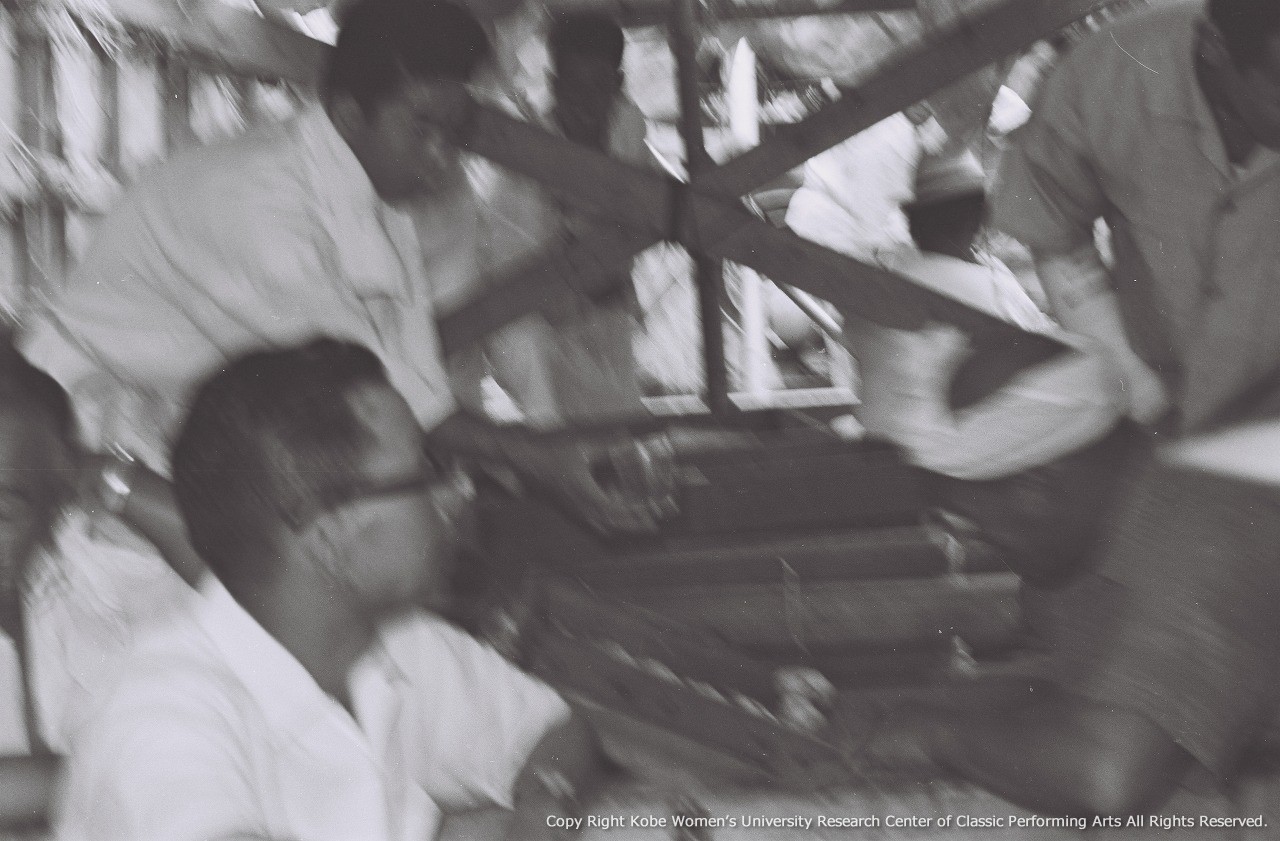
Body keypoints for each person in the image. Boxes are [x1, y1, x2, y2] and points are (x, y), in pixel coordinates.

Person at [19, 0, 658, 535]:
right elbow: (364, 393)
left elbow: (413, 375)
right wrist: (530, 456)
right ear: (351, 114)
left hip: (162, 435)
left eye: (453, 133)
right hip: (67, 438)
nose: (442, 157)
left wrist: (534, 452)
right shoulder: (264, 207)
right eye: (423, 129)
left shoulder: (381, 200)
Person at [865, 0, 1280, 815]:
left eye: (973, 521)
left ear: (1040, 484)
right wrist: (1126, 370)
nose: (975, 544)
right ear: (1217, 53)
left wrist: (934, 731)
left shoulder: (1204, 530)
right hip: (1186, 419)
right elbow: (1048, 226)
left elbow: (1104, 778)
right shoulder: (1110, 78)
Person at [55, 339, 606, 841]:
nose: (458, 492)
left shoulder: (389, 642)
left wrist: (542, 806)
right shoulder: (161, 718)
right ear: (330, 534)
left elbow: (553, 729)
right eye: (426, 473)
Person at [0, 349, 193, 832]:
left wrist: (112, 478)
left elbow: (252, 583)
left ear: (54, 508)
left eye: (2, 512)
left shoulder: (88, 580)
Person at [848, 149, 1124, 482]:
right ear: (977, 218)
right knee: (1101, 378)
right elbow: (1025, 348)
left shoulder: (895, 273)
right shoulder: (966, 281)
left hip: (900, 433)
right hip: (938, 441)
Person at [459, 11, 652, 428]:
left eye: (597, 87)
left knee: (619, 422)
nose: (584, 102)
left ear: (618, 85)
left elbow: (641, 206)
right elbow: (512, 264)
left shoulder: (628, 126)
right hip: (538, 316)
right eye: (572, 88)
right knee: (555, 421)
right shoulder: (525, 159)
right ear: (553, 84)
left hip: (607, 305)